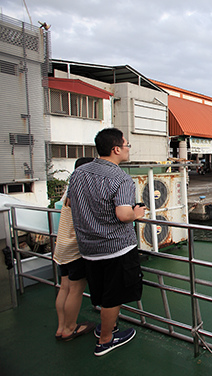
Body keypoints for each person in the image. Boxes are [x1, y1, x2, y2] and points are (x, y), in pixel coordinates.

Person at [68, 128, 146, 356]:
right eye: (127, 144)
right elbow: (123, 214)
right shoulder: (121, 178)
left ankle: (106, 327)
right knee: (114, 295)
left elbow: (71, 203)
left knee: (101, 293)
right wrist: (137, 213)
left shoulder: (79, 173)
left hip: (88, 248)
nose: (128, 148)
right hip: (116, 248)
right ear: (116, 149)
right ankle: (105, 340)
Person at [54, 157, 96, 341]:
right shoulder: (82, 191)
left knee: (64, 288)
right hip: (74, 248)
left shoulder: (69, 190)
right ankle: (70, 329)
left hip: (61, 246)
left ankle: (61, 327)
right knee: (75, 290)